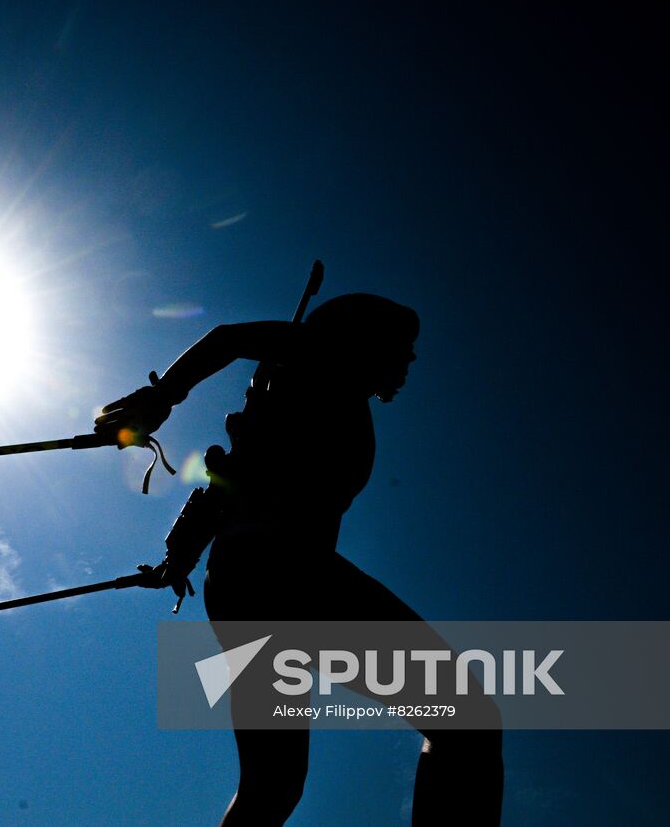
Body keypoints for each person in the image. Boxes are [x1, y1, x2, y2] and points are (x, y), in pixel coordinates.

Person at [95, 293, 503, 825]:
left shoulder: (306, 394)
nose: (411, 359)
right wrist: (163, 396)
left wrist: (182, 555)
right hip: (287, 573)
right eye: (402, 346)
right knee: (467, 723)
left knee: (273, 788)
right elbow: (230, 337)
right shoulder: (324, 358)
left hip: (244, 581)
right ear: (365, 338)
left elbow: (231, 482)